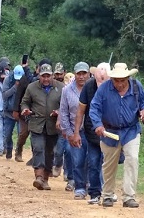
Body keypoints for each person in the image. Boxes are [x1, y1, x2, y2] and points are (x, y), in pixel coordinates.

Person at [89, 63, 144, 208]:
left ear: (128, 78)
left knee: (132, 159)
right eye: (116, 80)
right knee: (109, 164)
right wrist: (98, 125)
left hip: (131, 131)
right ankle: (107, 195)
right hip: (109, 132)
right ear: (112, 79)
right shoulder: (104, 89)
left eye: (122, 80)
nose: (119, 83)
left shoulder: (136, 86)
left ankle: (129, 197)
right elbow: (94, 107)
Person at [20, 63, 65, 190]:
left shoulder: (61, 88)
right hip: (36, 124)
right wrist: (25, 109)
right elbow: (24, 102)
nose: (46, 79)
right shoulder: (32, 87)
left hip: (53, 125)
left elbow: (65, 105)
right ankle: (38, 176)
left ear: (52, 76)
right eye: (43, 76)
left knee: (50, 152)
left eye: (48, 76)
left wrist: (59, 111)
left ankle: (45, 179)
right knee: (38, 148)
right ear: (39, 76)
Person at [71, 62, 110, 204]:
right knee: (93, 162)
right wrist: (76, 132)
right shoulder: (88, 87)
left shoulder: (115, 87)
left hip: (111, 133)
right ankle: (95, 192)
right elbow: (80, 111)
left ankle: (108, 192)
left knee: (108, 164)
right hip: (92, 132)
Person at [59, 61, 90, 200]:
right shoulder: (66, 90)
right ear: (75, 74)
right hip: (74, 130)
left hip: (91, 130)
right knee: (77, 160)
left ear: (89, 74)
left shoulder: (94, 89)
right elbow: (63, 112)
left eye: (84, 73)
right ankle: (80, 188)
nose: (82, 76)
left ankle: (91, 185)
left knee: (92, 159)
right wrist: (70, 133)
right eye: (79, 74)